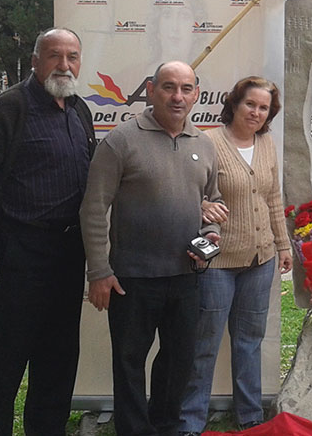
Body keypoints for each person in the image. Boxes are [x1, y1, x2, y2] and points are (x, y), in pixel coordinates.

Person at [0, 28, 96, 436]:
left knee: (57, 361)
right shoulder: (7, 110)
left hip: (68, 255)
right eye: (55, 55)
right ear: (36, 60)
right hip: (18, 255)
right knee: (3, 364)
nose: (64, 65)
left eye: (72, 56)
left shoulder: (79, 110)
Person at [79, 61, 222, 436]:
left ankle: (165, 427)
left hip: (186, 277)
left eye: (186, 89)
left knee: (178, 364)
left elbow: (212, 203)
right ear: (151, 89)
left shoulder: (204, 144)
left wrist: (208, 238)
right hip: (131, 278)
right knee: (128, 365)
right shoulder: (121, 140)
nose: (178, 97)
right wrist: (99, 271)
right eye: (169, 87)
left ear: (196, 93)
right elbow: (94, 208)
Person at [179, 76, 292, 434]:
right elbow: (185, 191)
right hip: (219, 262)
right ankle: (190, 420)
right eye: (250, 104)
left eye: (264, 107)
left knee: (249, 342)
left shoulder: (267, 143)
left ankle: (249, 417)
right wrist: (202, 206)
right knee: (205, 343)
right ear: (234, 104)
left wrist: (283, 244)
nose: (256, 112)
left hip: (261, 260)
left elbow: (273, 197)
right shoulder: (207, 141)